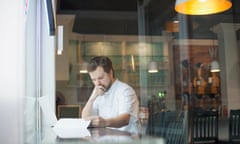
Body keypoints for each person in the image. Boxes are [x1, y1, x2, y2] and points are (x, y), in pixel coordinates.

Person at [81, 56, 140, 134]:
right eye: (94, 80)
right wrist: (92, 97)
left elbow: (125, 119)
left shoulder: (125, 90)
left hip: (127, 139)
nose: (97, 83)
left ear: (111, 73)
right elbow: (85, 119)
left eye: (100, 78)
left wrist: (105, 122)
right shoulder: (98, 91)